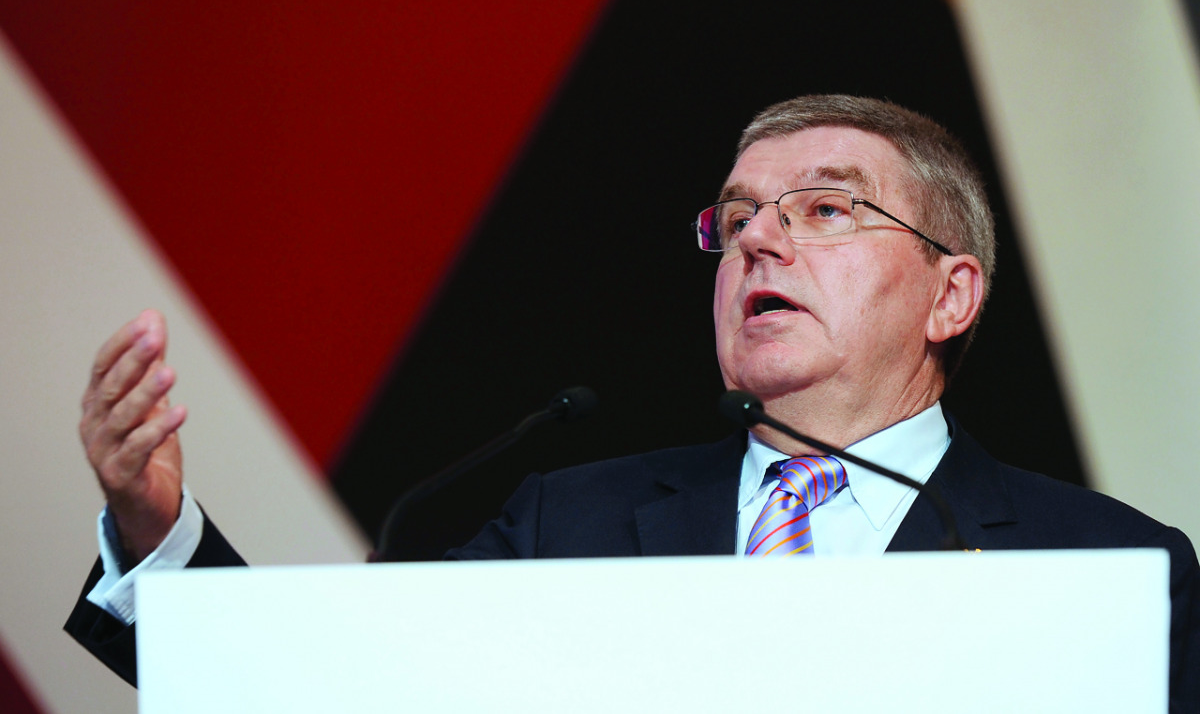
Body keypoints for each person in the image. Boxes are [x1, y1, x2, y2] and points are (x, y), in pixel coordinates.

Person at [66, 95, 1200, 707]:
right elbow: (326, 697)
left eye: (824, 210)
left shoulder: (1105, 568)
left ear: (952, 294)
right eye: (738, 217)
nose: (760, 236)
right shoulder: (568, 522)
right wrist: (158, 535)